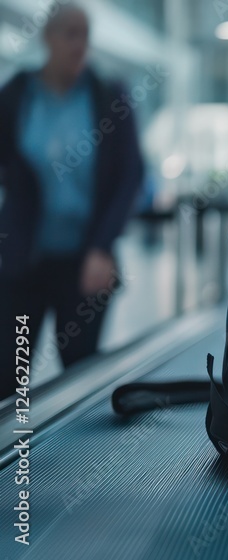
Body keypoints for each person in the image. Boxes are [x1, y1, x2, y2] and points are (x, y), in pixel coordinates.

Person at [0, 4, 144, 398]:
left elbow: (131, 173)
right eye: (70, 34)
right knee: (8, 377)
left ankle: (75, 463)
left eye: (85, 35)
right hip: (22, 263)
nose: (80, 45)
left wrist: (103, 247)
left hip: (85, 265)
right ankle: (17, 459)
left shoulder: (107, 95)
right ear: (48, 38)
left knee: (80, 376)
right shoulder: (15, 95)